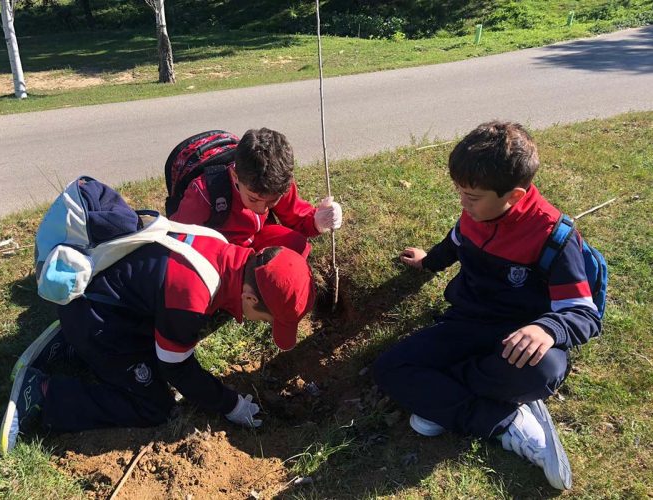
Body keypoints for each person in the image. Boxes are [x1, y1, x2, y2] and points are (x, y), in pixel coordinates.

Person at [0, 181, 315, 453]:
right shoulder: (191, 296)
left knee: (156, 346)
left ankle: (72, 341)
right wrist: (229, 404)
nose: (259, 322)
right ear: (249, 297)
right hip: (95, 317)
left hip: (109, 296)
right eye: (266, 318)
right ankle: (45, 394)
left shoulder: (223, 247)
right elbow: (177, 368)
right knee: (153, 406)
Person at [373, 121, 602, 490]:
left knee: (545, 371)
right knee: (389, 368)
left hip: (518, 339)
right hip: (465, 323)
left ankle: (441, 399)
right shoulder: (476, 212)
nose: (462, 203)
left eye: (471, 196)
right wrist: (428, 261)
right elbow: (455, 241)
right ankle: (506, 421)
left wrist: (546, 329)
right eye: (460, 192)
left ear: (512, 195)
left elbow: (583, 313)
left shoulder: (555, 236)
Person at [169, 127, 342, 259]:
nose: (261, 209)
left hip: (255, 238)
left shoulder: (276, 181)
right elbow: (177, 239)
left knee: (296, 245)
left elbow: (297, 217)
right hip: (217, 253)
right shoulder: (205, 194)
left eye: (271, 201)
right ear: (235, 176)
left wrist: (319, 220)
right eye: (253, 199)